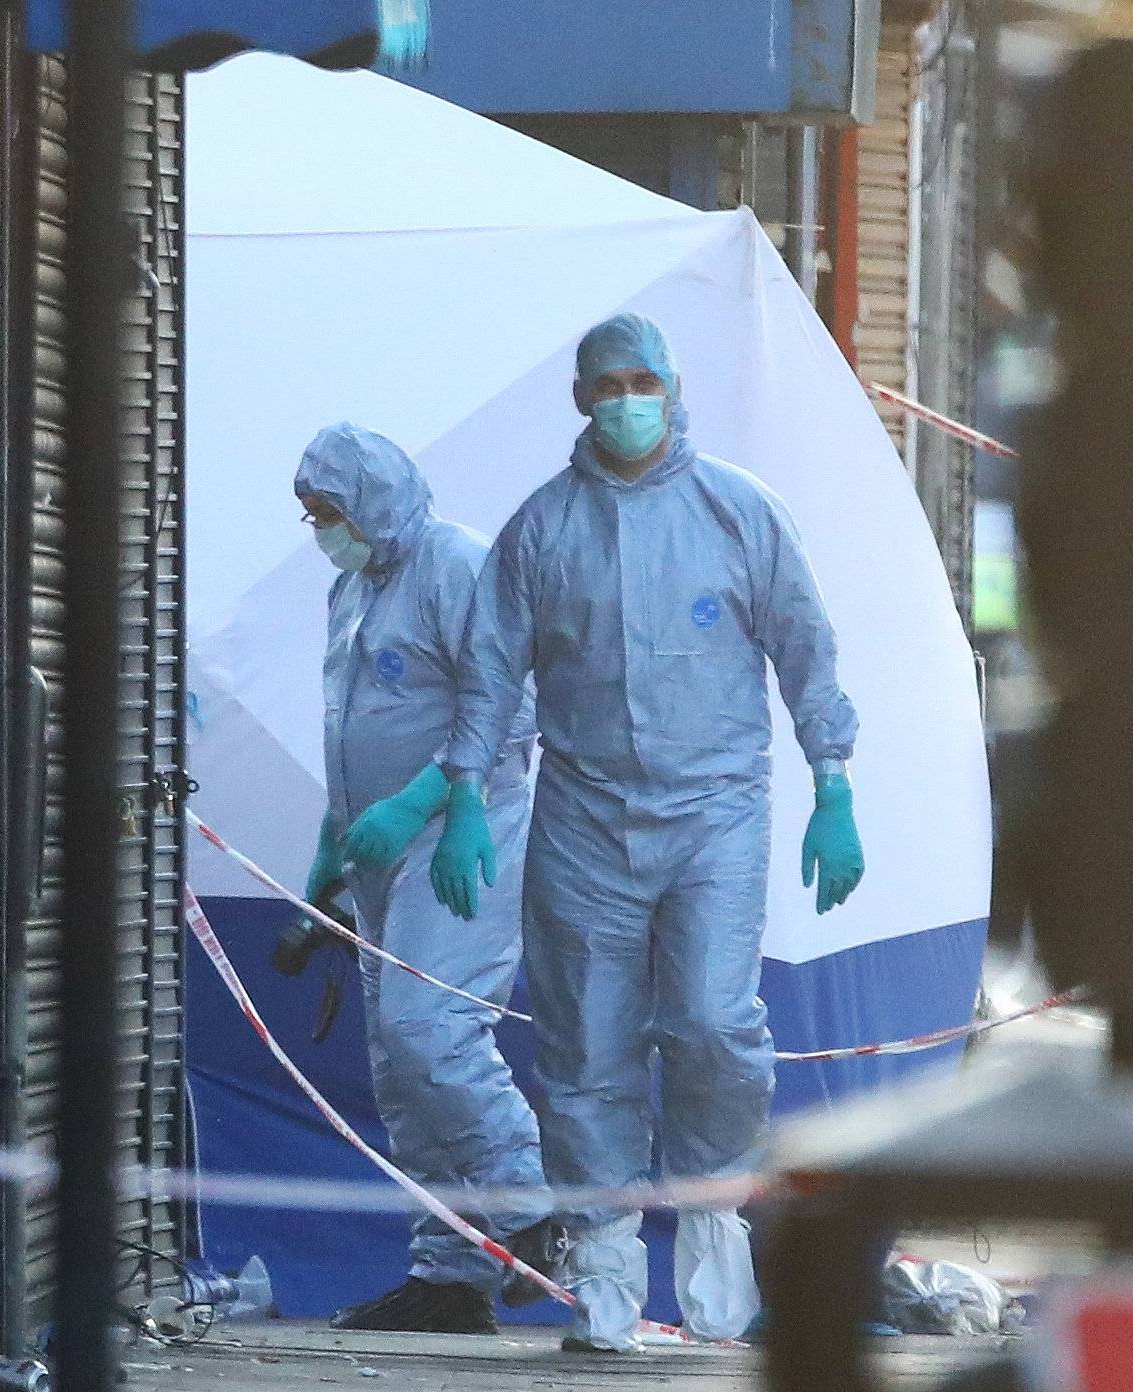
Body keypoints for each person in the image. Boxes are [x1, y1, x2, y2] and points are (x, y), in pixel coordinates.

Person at [428, 314, 865, 1352]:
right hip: (584, 819)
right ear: (580, 400)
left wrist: (833, 780)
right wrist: (459, 793)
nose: (626, 399)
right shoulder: (540, 531)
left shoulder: (739, 512)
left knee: (715, 1022)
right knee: (586, 1046)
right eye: (606, 384)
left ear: (672, 387)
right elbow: (491, 670)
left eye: (642, 380)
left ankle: (716, 1226)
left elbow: (806, 643)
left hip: (717, 810)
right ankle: (607, 1273)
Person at [294, 423, 564, 1335]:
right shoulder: (353, 588)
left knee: (432, 1027)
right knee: (399, 1067)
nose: (321, 528)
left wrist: (422, 805)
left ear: (371, 500)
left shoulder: (459, 568)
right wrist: (331, 846)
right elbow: (354, 719)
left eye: (329, 511)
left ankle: (535, 1211)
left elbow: (514, 705)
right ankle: (448, 1273)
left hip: (461, 837)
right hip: (378, 853)